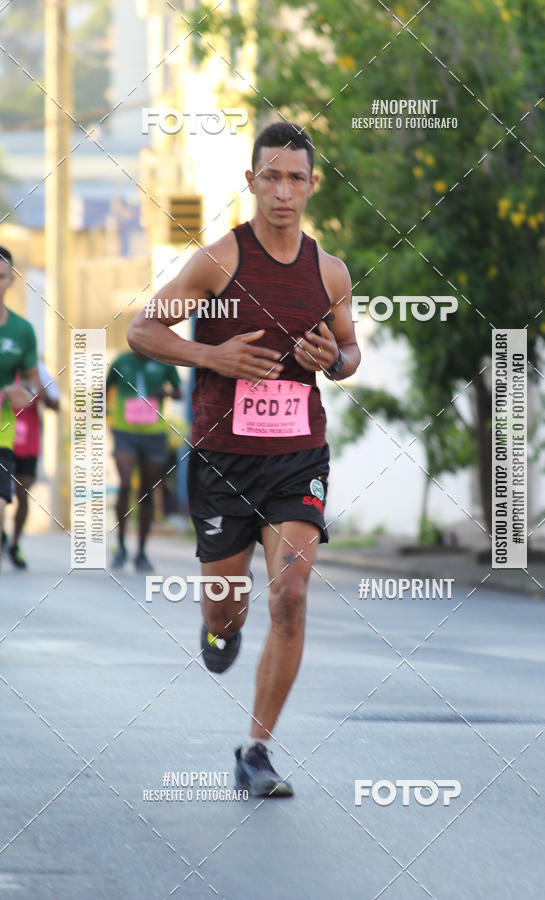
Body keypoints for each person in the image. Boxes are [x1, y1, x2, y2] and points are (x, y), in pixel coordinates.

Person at [127, 122, 361, 796]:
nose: (283, 191)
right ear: (251, 182)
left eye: (296, 178)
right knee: (224, 611)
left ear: (313, 186)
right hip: (224, 461)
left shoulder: (330, 272)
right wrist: (211, 356)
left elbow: (349, 352)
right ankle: (218, 632)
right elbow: (142, 329)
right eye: (271, 176)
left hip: (297, 458)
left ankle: (257, 750)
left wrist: (333, 362)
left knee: (290, 594)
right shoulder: (218, 261)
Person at [106, 350, 182, 572]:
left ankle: (141, 551)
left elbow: (179, 393)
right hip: (124, 431)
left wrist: (166, 392)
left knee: (147, 492)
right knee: (125, 482)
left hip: (154, 433)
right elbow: (105, 389)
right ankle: (120, 546)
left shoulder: (165, 362)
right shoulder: (121, 362)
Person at [0, 246, 41, 575]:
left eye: (1, 276)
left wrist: (22, 394)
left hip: (5, 432)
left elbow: (33, 385)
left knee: (4, 499)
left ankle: (10, 544)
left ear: (11, 280)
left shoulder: (22, 331)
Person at [5, 359, 60, 569]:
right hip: (5, 442)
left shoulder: (37, 374)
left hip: (29, 445)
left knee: (22, 494)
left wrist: (42, 387)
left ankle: (15, 543)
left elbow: (55, 405)